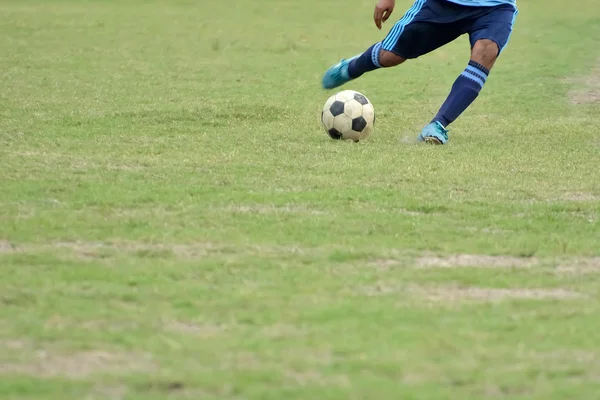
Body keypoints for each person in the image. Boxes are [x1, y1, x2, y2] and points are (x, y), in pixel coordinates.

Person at [321, 0, 518, 144]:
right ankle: (351, 67)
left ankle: (438, 125)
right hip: (443, 4)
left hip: (496, 7)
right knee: (390, 56)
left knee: (486, 51)